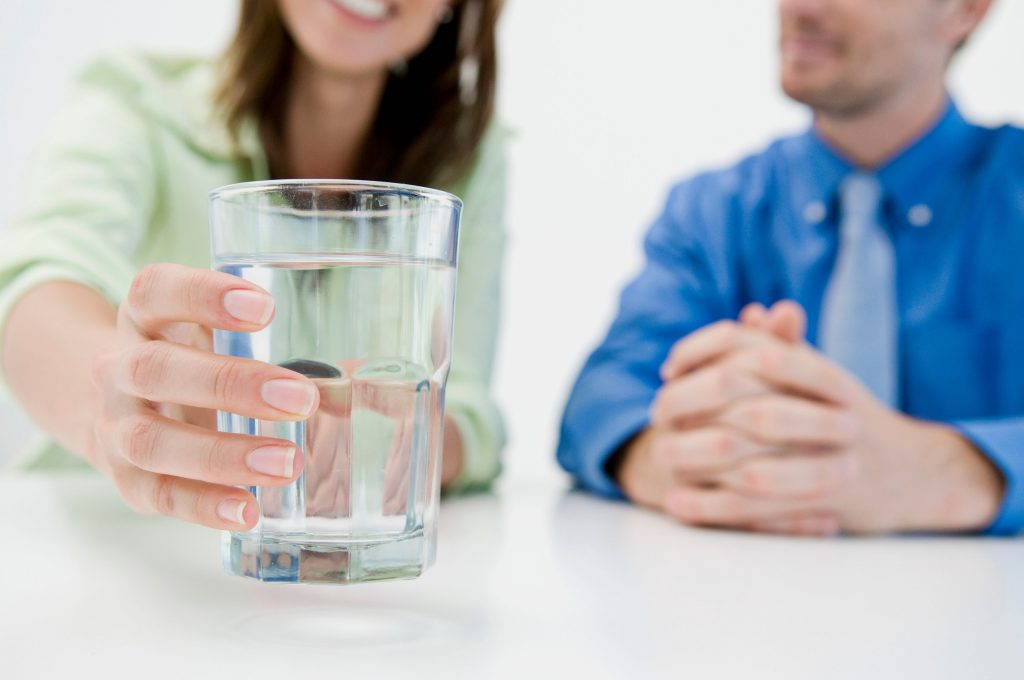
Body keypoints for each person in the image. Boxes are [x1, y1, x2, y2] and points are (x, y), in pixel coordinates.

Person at [0, 0, 507, 530]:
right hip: (114, 544)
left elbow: (468, 411)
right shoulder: (136, 100)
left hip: (353, 543)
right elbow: (36, 278)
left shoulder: (468, 158)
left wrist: (394, 431)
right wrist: (125, 404)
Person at [558, 0, 1024, 536]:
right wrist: (692, 461)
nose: (800, 7)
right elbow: (601, 397)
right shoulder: (714, 211)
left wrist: (949, 473)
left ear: (965, 10)